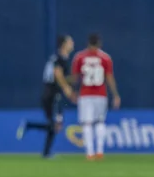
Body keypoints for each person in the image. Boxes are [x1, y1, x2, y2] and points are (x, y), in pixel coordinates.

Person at [17, 35, 75, 158]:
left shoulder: (55, 58)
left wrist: (72, 79)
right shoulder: (61, 58)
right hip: (53, 95)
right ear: (64, 44)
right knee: (56, 124)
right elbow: (57, 74)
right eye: (70, 41)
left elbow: (59, 75)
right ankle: (29, 125)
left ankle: (46, 152)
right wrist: (66, 88)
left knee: (55, 124)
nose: (72, 43)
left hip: (48, 93)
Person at [71, 33, 120, 161]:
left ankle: (89, 153)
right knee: (100, 122)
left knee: (87, 123)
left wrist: (72, 91)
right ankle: (100, 151)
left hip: (85, 94)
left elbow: (75, 78)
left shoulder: (79, 57)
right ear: (99, 43)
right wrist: (115, 94)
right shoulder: (105, 58)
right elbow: (109, 77)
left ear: (88, 43)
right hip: (100, 94)